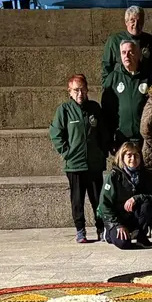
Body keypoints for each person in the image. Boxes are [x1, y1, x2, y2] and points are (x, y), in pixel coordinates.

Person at [49, 74, 107, 243]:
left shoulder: (95, 108)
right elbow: (55, 133)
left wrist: (102, 151)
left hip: (94, 163)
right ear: (70, 92)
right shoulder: (64, 110)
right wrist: (66, 152)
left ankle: (101, 228)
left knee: (97, 199)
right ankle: (80, 230)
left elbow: (103, 132)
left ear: (87, 89)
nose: (80, 93)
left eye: (82, 89)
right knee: (77, 199)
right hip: (75, 165)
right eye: (76, 90)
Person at [98, 142, 152, 250]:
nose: (133, 158)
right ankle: (109, 233)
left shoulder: (146, 175)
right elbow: (104, 204)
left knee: (147, 204)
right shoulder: (113, 176)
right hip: (117, 219)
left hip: (134, 218)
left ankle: (140, 235)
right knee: (124, 244)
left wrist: (137, 198)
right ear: (122, 157)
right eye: (129, 155)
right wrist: (116, 224)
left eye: (136, 155)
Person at [101, 39, 152, 154]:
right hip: (122, 139)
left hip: (144, 139)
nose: (126, 55)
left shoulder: (149, 77)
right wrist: (110, 139)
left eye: (130, 52)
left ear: (137, 54)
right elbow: (107, 111)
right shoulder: (113, 78)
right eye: (123, 52)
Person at [101, 6, 152, 84]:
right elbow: (106, 67)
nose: (136, 24)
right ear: (126, 22)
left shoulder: (149, 40)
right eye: (132, 20)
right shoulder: (114, 40)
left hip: (143, 85)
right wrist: (107, 87)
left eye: (139, 21)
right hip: (121, 84)